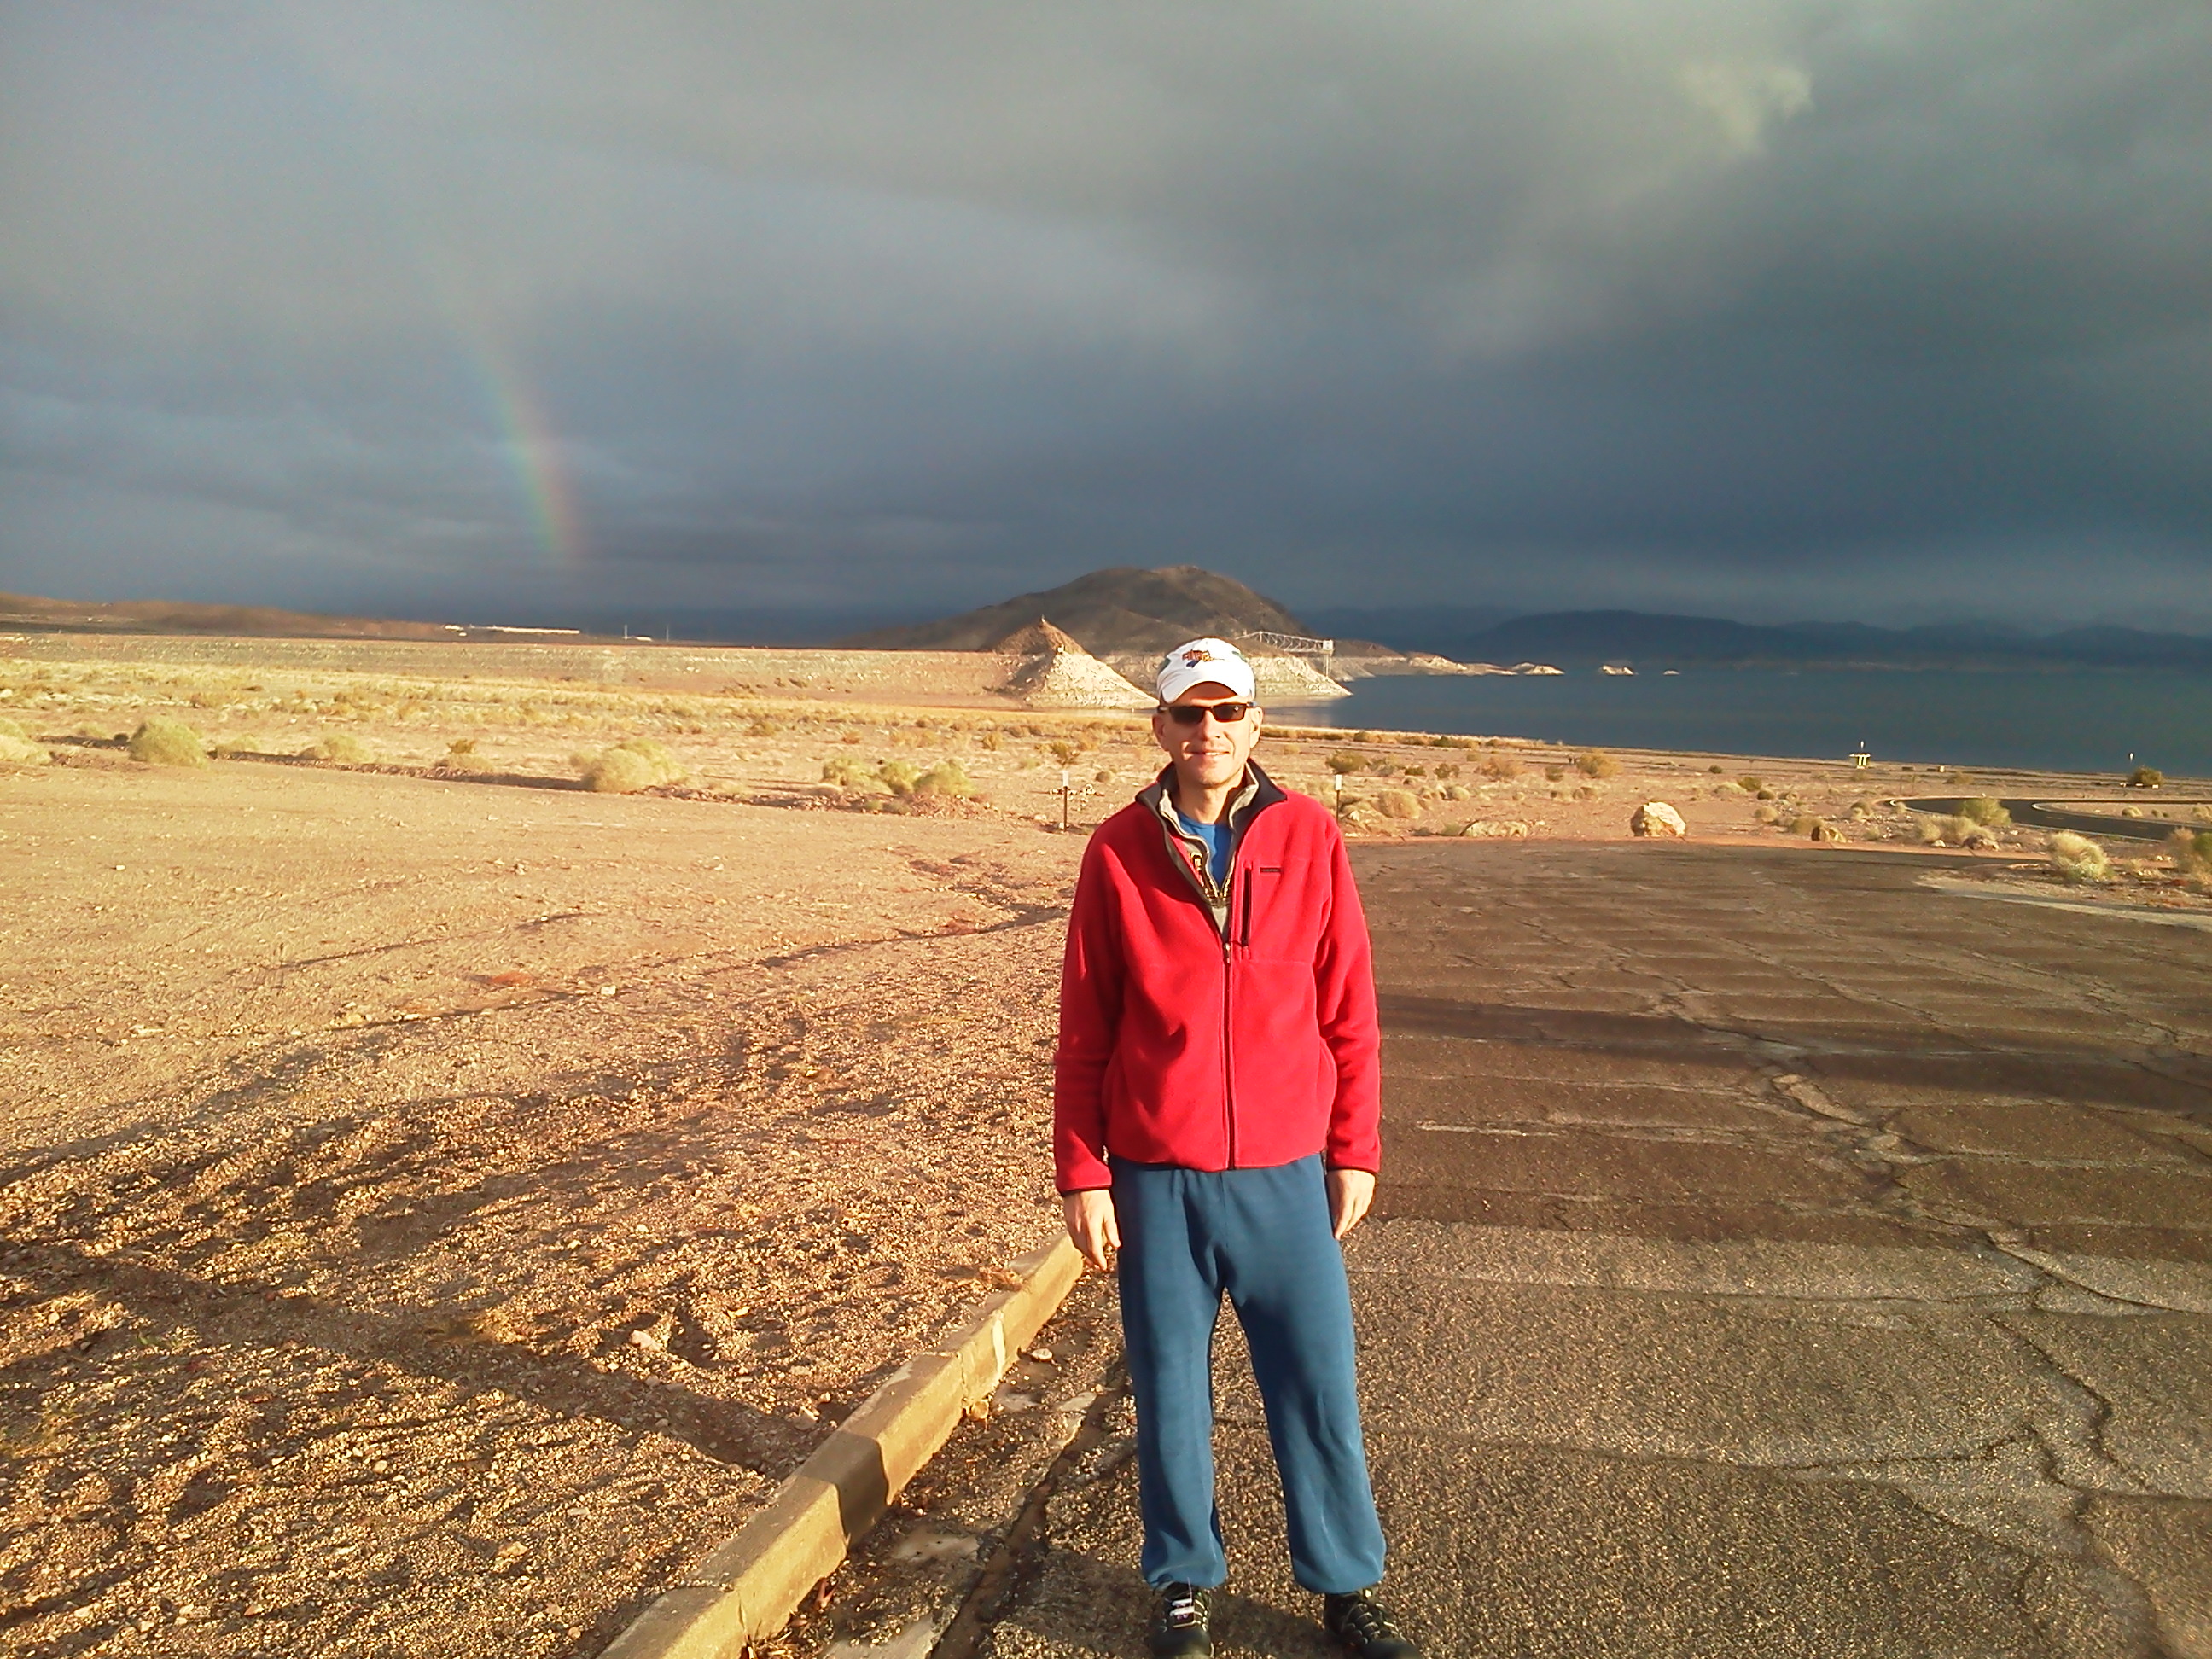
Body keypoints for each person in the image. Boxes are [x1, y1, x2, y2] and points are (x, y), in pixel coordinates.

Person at [1054, 637, 1419, 1658]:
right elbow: (1087, 1025)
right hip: (1156, 1175)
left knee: (1314, 1381)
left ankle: (1348, 1587)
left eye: (1226, 713)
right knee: (1170, 1384)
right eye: (1187, 715)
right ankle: (1182, 1580)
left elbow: (1349, 1007)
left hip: (1283, 1171)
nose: (1206, 732)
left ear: (1258, 724)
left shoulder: (1309, 837)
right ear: (1160, 729)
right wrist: (1082, 1171)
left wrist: (1355, 1149)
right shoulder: (1117, 850)